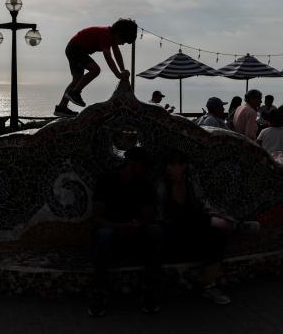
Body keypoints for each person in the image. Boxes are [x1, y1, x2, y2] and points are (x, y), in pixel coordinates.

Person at [157, 151, 260, 306]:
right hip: (173, 230)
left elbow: (203, 202)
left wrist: (217, 213)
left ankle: (209, 286)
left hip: (196, 228)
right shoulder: (161, 185)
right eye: (169, 165)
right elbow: (161, 215)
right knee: (202, 221)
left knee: (217, 236)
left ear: (183, 166)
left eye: (175, 165)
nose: (171, 168)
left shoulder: (190, 181)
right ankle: (237, 226)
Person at [89, 147, 163, 316]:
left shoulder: (144, 185)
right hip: (111, 232)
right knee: (104, 235)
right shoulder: (106, 181)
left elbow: (149, 216)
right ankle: (99, 291)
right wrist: (117, 227)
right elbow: (97, 217)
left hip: (135, 233)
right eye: (142, 166)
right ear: (131, 164)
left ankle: (149, 288)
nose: (145, 171)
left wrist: (137, 225)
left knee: (156, 231)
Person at [55, 19, 137, 117]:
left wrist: (122, 69)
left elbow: (117, 53)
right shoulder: (106, 35)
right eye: (124, 41)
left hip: (74, 48)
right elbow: (108, 56)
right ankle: (75, 93)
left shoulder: (111, 36)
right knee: (95, 70)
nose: (123, 44)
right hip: (75, 49)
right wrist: (118, 74)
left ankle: (61, 108)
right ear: (119, 34)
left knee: (77, 79)